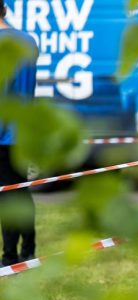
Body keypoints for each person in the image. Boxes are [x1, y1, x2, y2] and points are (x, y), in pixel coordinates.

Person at [0, 0, 38, 267]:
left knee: (7, 196)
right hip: (25, 130)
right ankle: (28, 249)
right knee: (21, 191)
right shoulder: (28, 40)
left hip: (4, 134)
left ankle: (10, 257)